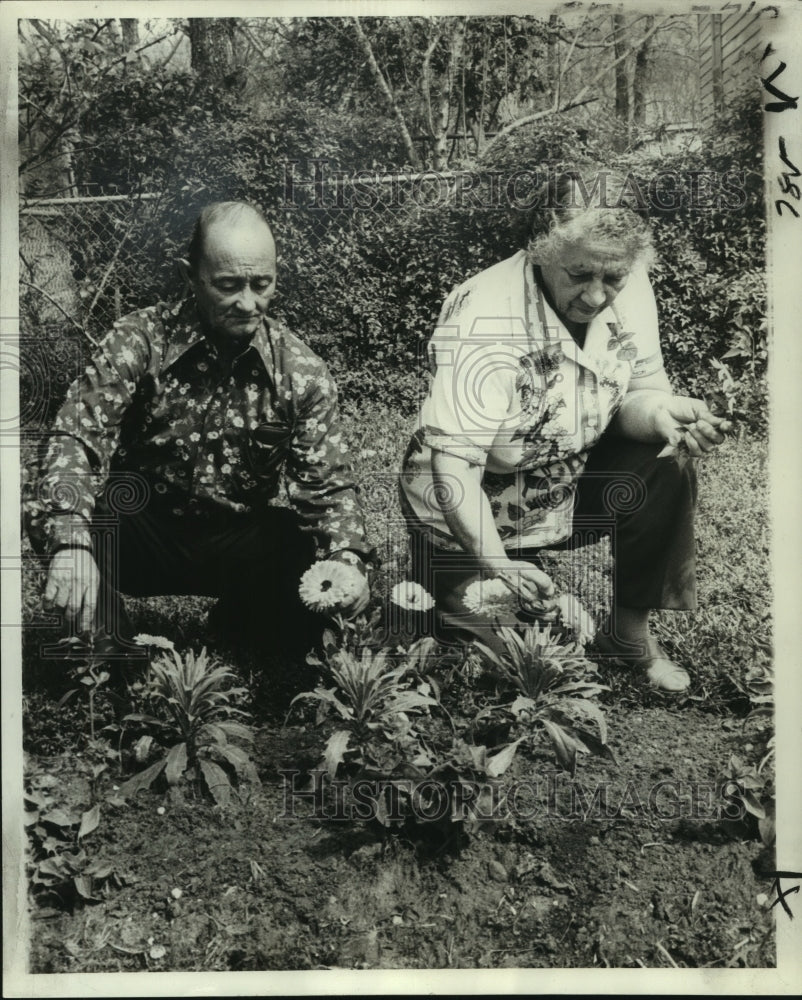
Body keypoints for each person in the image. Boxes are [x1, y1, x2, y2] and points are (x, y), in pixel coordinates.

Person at [399, 170, 731, 693]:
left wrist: (663, 414)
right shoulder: (485, 317)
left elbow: (636, 393)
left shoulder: (632, 284)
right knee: (523, 659)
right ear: (540, 248)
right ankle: (452, 582)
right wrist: (498, 566)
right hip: (467, 506)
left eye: (613, 278)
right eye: (579, 274)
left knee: (669, 461)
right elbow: (455, 468)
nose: (597, 296)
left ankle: (628, 635)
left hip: (564, 483)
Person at [25, 201, 373, 668]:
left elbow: (329, 487)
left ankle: (243, 625)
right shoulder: (138, 340)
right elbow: (74, 440)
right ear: (190, 275)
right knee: (68, 508)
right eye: (228, 286)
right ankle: (108, 649)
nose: (248, 303)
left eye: (261, 284)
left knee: (298, 548)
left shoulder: (302, 371)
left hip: (233, 538)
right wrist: (69, 541)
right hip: (139, 526)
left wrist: (348, 559)